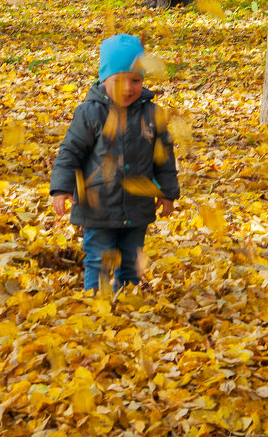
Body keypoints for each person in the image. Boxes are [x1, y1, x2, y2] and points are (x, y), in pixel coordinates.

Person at [49, 33, 179, 292]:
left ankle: (126, 300)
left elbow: (164, 159)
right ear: (104, 79)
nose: (128, 88)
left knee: (131, 261)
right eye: (119, 81)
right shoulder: (90, 114)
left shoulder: (152, 115)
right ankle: (95, 302)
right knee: (98, 260)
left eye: (135, 80)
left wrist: (167, 194)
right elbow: (69, 153)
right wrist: (61, 189)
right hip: (98, 207)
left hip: (137, 208)